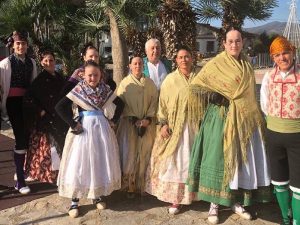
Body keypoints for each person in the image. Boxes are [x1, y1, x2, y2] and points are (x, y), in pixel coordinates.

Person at [187, 27, 271, 224]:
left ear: (243, 43)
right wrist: (213, 94)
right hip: (220, 117)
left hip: (242, 119)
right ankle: (214, 204)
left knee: (239, 160)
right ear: (224, 44)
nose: (234, 44)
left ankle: (235, 200)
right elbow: (196, 86)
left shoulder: (248, 66)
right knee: (218, 158)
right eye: (230, 41)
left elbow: (250, 95)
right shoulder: (216, 64)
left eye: (238, 41)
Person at [55, 60, 123, 218]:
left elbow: (120, 104)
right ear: (83, 75)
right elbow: (59, 107)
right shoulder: (79, 90)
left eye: (96, 75)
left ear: (101, 75)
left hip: (101, 131)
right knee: (80, 163)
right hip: (84, 131)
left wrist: (114, 120)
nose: (93, 78)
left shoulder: (105, 89)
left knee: (98, 161)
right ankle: (75, 200)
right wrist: (73, 123)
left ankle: (97, 194)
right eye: (90, 75)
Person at [145, 47, 199, 214]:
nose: (184, 60)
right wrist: (163, 124)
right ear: (176, 60)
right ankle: (176, 199)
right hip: (176, 129)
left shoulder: (200, 78)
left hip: (195, 128)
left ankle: (194, 195)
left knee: (193, 160)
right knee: (176, 163)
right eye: (181, 57)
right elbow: (162, 104)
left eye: (187, 57)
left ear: (192, 58)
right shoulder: (170, 80)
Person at [260, 36, 300, 225]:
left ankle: (297, 221)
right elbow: (265, 104)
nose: (282, 57)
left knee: (299, 184)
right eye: (277, 55)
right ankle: (286, 217)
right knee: (279, 181)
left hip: (297, 137)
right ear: (272, 57)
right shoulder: (268, 77)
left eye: (285, 53)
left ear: (292, 53)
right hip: (274, 135)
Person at [0, 31, 37, 194]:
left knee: (27, 139)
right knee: (21, 139)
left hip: (27, 104)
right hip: (13, 104)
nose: (21, 46)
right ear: (13, 46)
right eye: (18, 44)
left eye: (23, 43)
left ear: (27, 45)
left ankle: (20, 171)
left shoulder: (32, 63)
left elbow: (34, 85)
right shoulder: (5, 64)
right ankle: (20, 182)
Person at [23, 50, 68, 183]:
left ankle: (62, 174)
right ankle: (49, 175)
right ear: (42, 63)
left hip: (59, 117)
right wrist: (40, 111)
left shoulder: (60, 77)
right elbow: (29, 98)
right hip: (46, 120)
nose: (49, 63)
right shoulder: (39, 80)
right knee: (50, 149)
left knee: (62, 145)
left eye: (51, 60)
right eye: (46, 61)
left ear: (55, 61)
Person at [117, 56, 158, 197]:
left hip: (147, 125)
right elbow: (120, 103)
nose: (138, 66)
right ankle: (130, 187)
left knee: (145, 154)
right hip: (129, 126)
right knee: (130, 154)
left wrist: (147, 119)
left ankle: (144, 185)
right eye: (135, 63)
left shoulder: (150, 83)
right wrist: (133, 118)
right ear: (129, 66)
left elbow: (155, 102)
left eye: (140, 63)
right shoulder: (125, 84)